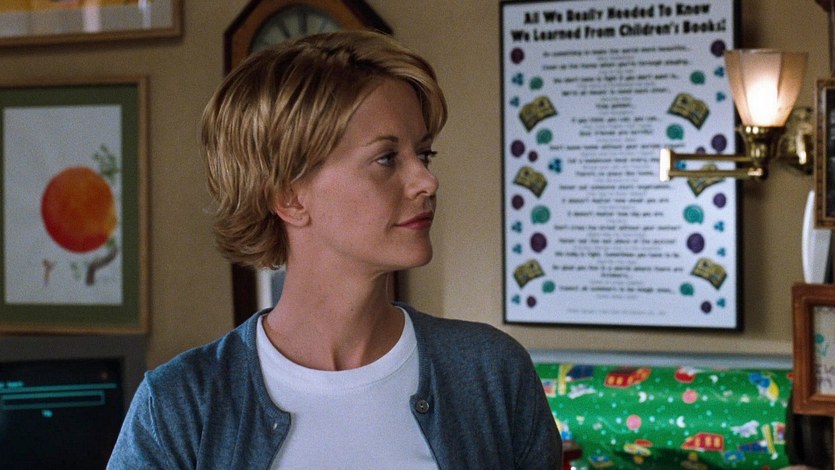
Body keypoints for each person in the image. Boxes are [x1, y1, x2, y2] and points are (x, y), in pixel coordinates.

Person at [108, 30, 561, 469]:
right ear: (289, 197)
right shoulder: (180, 406)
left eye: (423, 155)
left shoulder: (491, 373)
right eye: (387, 158)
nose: (426, 181)